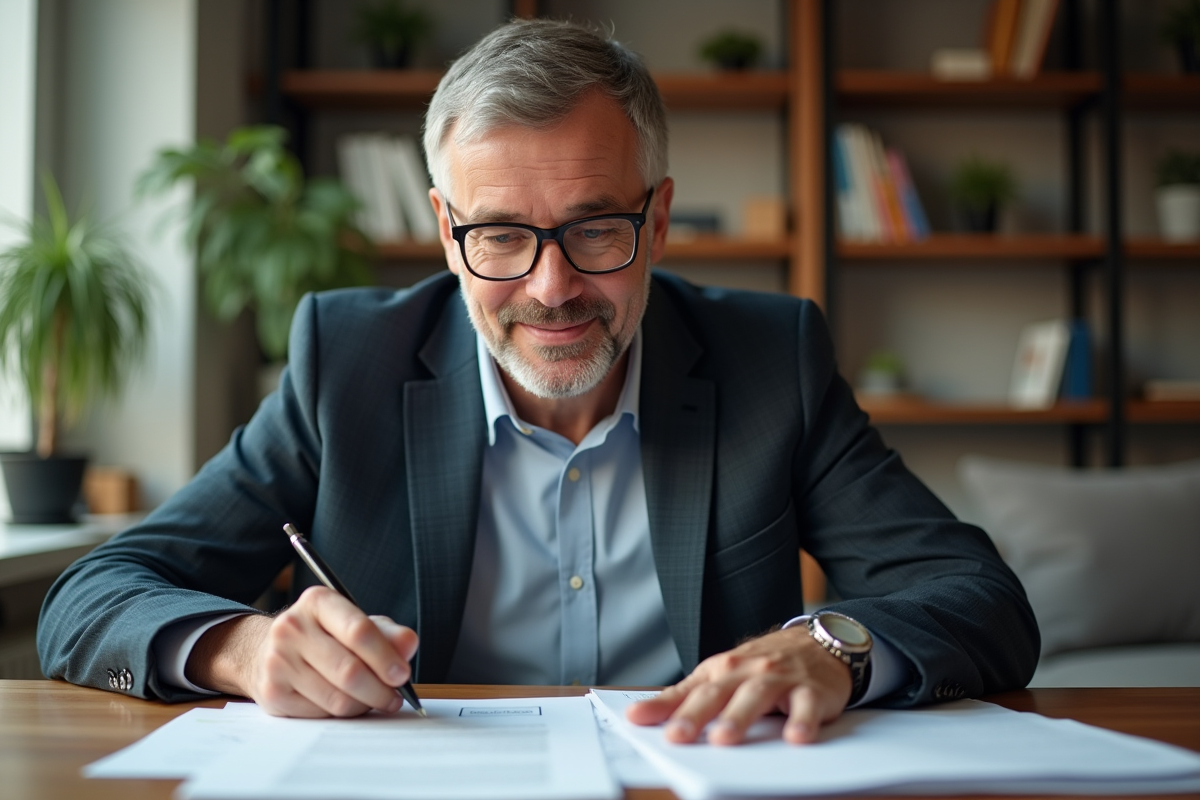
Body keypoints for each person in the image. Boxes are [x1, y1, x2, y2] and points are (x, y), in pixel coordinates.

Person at [38, 19, 1038, 746]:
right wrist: (243, 651)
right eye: (502, 236)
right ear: (444, 229)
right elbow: (91, 595)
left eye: (596, 228)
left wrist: (836, 645)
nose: (552, 288)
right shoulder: (347, 359)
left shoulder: (770, 357)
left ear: (658, 220)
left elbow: (981, 599)